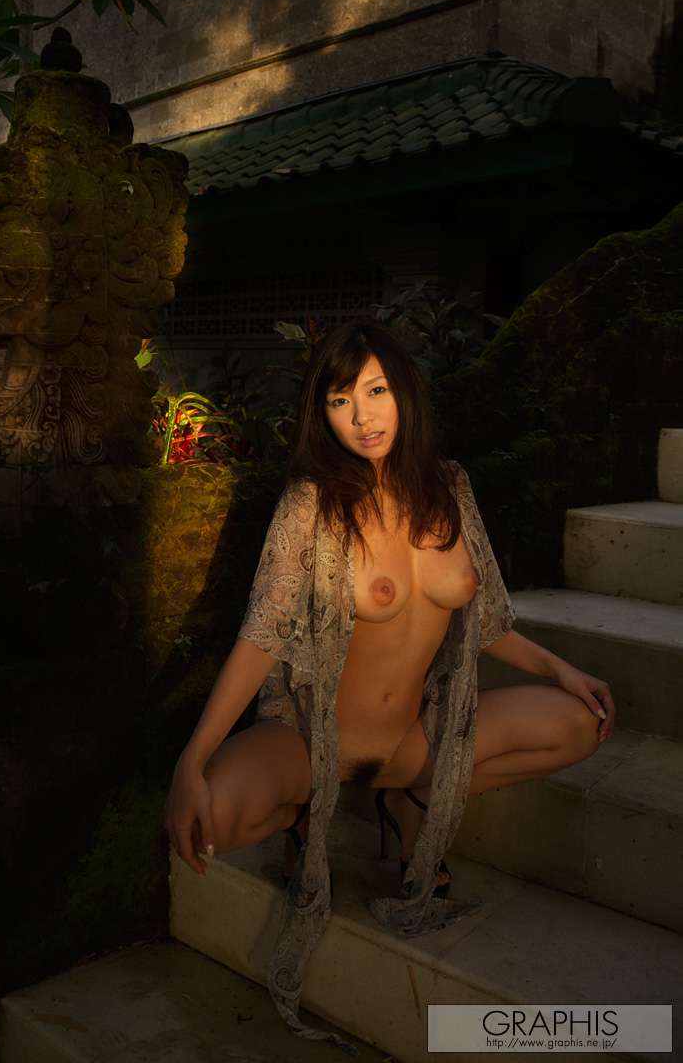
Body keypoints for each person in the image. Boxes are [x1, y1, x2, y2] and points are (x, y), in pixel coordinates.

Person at [164, 319, 615, 1055]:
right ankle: (307, 813)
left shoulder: (450, 486)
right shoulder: (311, 503)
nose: (362, 416)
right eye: (340, 400)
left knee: (577, 723)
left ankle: (410, 799)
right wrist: (192, 759)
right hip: (311, 742)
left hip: (411, 740)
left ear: (404, 390)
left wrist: (561, 669)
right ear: (322, 413)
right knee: (211, 817)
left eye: (375, 391)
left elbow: (485, 621)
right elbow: (261, 633)